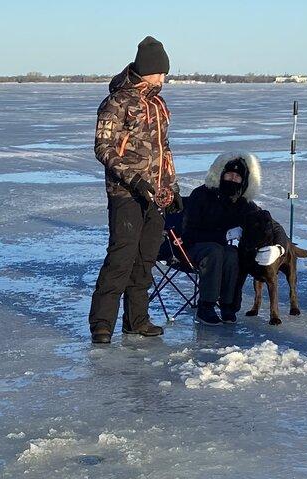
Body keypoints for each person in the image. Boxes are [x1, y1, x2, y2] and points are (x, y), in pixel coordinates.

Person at [90, 37, 177, 344]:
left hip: (156, 195)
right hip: (126, 193)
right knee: (121, 257)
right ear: (147, 70)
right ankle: (102, 324)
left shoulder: (158, 103)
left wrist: (172, 186)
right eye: (160, 72)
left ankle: (136, 320)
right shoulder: (118, 101)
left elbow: (163, 148)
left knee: (145, 259)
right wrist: (133, 179)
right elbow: (103, 147)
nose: (164, 78)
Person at [179, 153, 286, 324]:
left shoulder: (243, 204)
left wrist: (278, 248)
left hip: (220, 253)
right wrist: (225, 235)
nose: (232, 179)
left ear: (243, 181)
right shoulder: (201, 195)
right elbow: (188, 233)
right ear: (220, 174)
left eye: (237, 177)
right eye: (229, 174)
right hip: (190, 250)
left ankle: (228, 306)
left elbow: (274, 226)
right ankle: (205, 306)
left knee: (232, 253)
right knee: (216, 251)